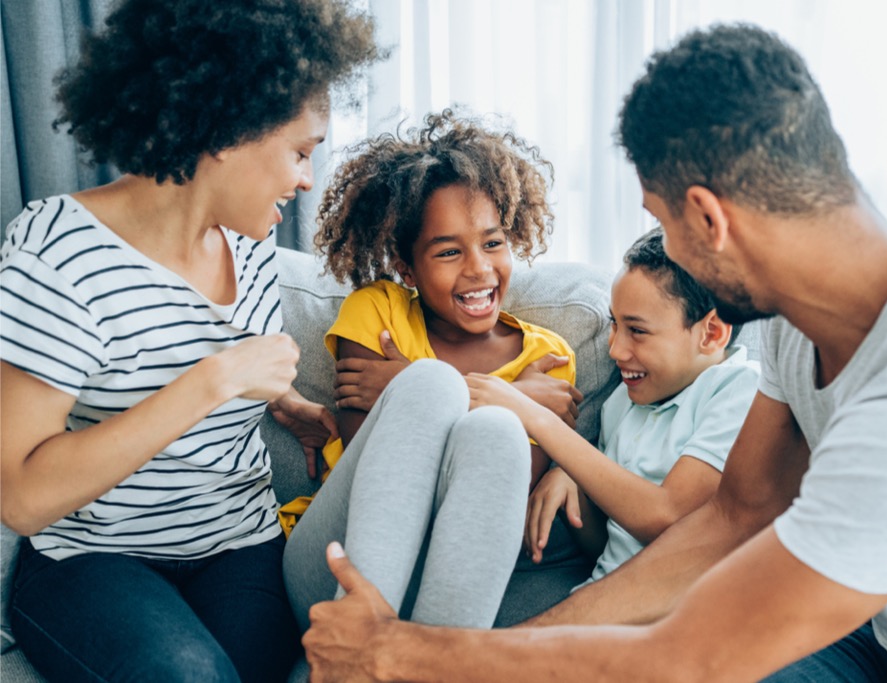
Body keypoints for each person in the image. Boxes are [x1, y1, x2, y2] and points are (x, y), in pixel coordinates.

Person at [300, 23, 887, 683]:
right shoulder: (810, 311)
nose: (660, 251)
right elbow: (732, 517)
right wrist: (519, 638)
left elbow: (687, 657)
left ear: (708, 218)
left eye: (659, 223)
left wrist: (404, 654)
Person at [0, 1, 378, 681]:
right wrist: (214, 380)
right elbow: (22, 493)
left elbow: (195, 356)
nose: (305, 179)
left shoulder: (252, 247)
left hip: (239, 544)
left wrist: (286, 404)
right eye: (299, 151)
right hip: (90, 557)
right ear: (228, 130)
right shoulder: (57, 248)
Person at [280, 109, 583, 637]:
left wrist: (414, 386)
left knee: (493, 428)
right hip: (337, 560)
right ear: (406, 265)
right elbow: (375, 466)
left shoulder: (548, 355)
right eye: (448, 252)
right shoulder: (378, 312)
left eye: (493, 243)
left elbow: (495, 506)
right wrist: (510, 396)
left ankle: (429, 664)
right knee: (437, 386)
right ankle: (359, 633)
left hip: (455, 579)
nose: (479, 269)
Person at [469, 227, 758, 585]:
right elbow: (609, 545)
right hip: (603, 596)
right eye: (613, 324)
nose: (615, 350)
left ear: (711, 333)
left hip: (676, 613)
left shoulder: (739, 390)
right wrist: (574, 486)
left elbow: (668, 519)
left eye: (637, 330)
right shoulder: (624, 400)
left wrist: (538, 420)